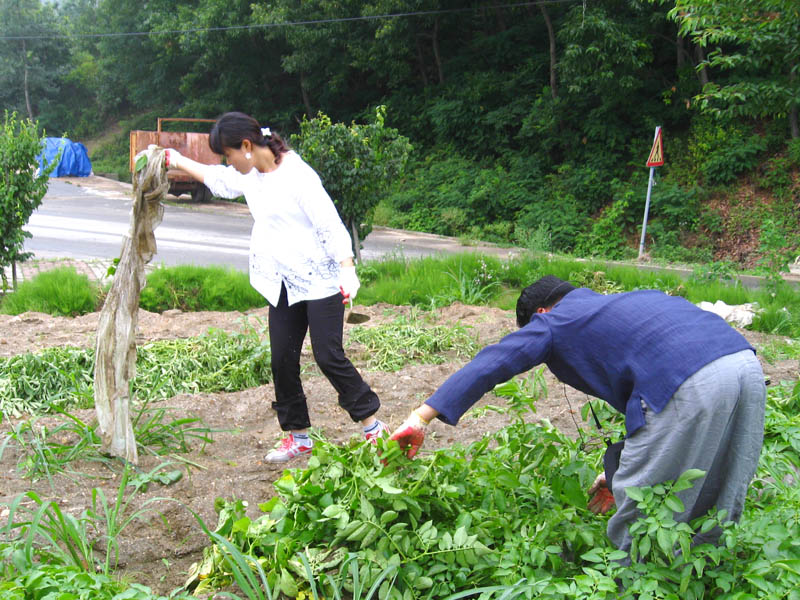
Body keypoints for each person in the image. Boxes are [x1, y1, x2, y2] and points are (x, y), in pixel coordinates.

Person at [390, 275, 765, 555]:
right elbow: (653, 414)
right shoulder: (625, 302)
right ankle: (709, 579)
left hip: (687, 384)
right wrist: (615, 473)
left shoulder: (555, 321)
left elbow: (494, 362)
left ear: (540, 313)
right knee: (721, 492)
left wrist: (420, 417)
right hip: (745, 365)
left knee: (638, 515)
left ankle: (630, 589)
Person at [165, 111, 386, 463]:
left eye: (229, 154)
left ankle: (373, 427)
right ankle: (298, 436)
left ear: (247, 146)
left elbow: (329, 223)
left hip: (320, 280)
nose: (229, 162)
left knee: (328, 355)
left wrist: (347, 267)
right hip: (282, 280)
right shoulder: (251, 175)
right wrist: (175, 159)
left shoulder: (297, 176)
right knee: (282, 360)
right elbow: (218, 179)